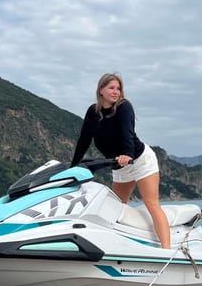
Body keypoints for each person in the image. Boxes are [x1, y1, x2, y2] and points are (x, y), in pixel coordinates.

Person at [71, 72, 171, 249]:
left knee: (151, 204)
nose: (116, 91)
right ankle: (118, 245)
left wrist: (127, 154)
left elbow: (127, 132)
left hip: (139, 160)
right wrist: (72, 166)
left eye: (118, 88)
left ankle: (167, 251)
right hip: (119, 165)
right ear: (101, 90)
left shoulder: (124, 107)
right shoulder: (93, 112)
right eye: (111, 88)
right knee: (117, 208)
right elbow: (84, 139)